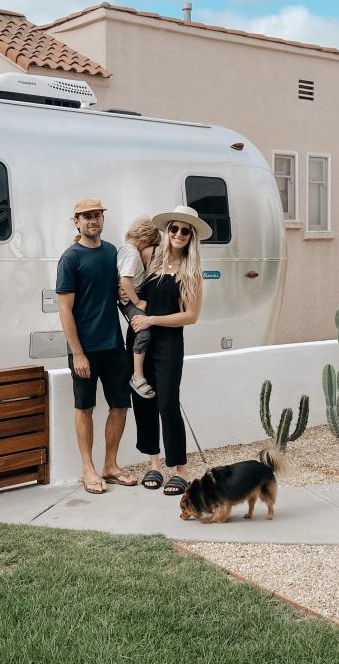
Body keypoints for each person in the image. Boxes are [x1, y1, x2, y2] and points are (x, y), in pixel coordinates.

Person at [56, 199, 138, 494]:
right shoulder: (70, 258)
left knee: (119, 406)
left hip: (114, 345)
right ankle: (88, 469)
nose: (93, 220)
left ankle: (111, 466)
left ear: (103, 219)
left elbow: (117, 292)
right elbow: (65, 310)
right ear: (75, 221)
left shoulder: (111, 252)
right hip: (85, 350)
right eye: (87, 216)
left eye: (98, 215)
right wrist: (77, 352)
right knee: (85, 408)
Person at [128, 204, 208, 496]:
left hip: (169, 343)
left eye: (185, 231)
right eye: (174, 228)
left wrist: (152, 319)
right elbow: (126, 271)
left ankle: (180, 469)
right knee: (144, 401)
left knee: (168, 403)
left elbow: (190, 316)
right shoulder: (150, 257)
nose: (177, 234)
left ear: (191, 237)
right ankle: (153, 464)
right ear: (167, 230)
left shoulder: (191, 272)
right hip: (139, 340)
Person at [117, 217, 162, 399]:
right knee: (144, 333)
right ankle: (137, 375)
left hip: (125, 299)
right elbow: (126, 280)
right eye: (148, 246)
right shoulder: (133, 254)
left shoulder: (123, 249)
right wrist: (138, 302)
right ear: (144, 240)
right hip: (131, 301)